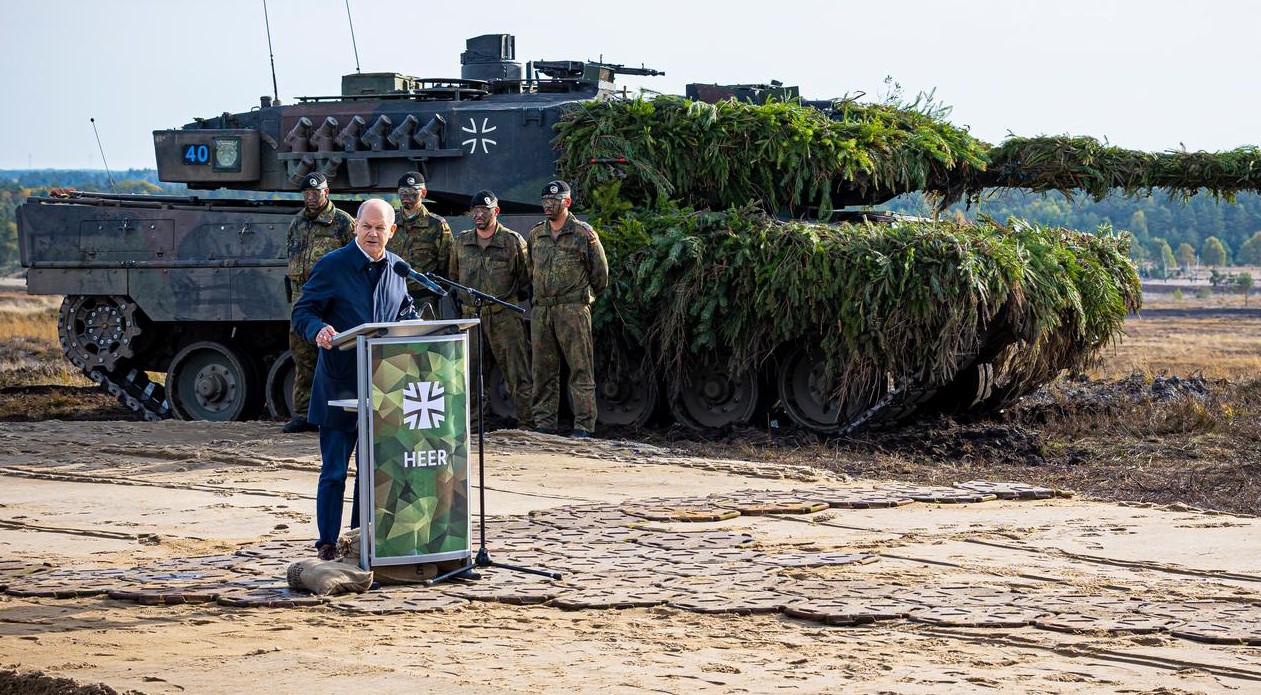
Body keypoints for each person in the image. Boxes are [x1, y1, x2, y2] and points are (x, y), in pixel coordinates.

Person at [291, 198, 418, 561]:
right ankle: (328, 544)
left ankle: (361, 541)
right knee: (333, 472)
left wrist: (415, 326)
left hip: (382, 387)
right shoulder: (332, 266)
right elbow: (303, 311)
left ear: (392, 232)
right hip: (339, 386)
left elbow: (404, 311)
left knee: (371, 471)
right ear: (355, 227)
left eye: (381, 228)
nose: (373, 234)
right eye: (367, 226)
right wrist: (318, 330)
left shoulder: (399, 269)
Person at [527, 180, 608, 438]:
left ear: (567, 202)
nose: (548, 206)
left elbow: (601, 275)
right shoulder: (536, 234)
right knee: (542, 370)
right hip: (542, 311)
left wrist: (582, 298)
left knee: (580, 368)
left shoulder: (583, 233)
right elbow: (531, 269)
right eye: (545, 202)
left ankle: (583, 425)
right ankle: (544, 423)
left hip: (573, 308)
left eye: (554, 201)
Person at [448, 190, 533, 429]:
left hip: (503, 316)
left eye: (484, 211)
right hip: (471, 316)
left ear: (496, 212)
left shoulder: (512, 241)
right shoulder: (461, 242)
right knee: (471, 373)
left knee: (517, 372)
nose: (478, 215)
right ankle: (475, 423)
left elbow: (525, 278)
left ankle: (527, 423)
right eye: (475, 211)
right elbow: (454, 276)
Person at [284, 171, 354, 434]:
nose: (311, 198)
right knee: (303, 357)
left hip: (331, 299)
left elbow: (353, 259)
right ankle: (303, 414)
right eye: (307, 194)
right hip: (302, 298)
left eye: (316, 193)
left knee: (334, 357)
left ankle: (333, 412)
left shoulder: (343, 222)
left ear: (327, 193)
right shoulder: (298, 223)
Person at [388, 171, 452, 318]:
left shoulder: (436, 225)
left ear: (423, 193)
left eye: (412, 193)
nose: (406, 197)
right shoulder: (391, 223)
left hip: (425, 300)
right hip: (393, 297)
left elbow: (447, 265)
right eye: (402, 193)